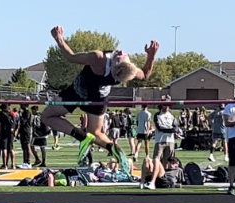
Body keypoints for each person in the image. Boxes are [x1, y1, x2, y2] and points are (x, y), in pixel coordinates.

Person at [41, 26, 159, 173]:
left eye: (120, 55)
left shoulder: (98, 58)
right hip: (99, 98)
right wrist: (151, 56)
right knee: (96, 133)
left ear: (115, 64)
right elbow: (145, 75)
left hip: (79, 90)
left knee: (47, 116)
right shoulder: (129, 71)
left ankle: (82, 137)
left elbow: (70, 57)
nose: (121, 51)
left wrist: (59, 39)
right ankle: (113, 149)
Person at [0, 104, 16, 169]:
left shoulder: (1, 115)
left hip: (3, 133)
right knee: (11, 149)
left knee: (4, 149)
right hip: (11, 133)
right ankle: (13, 164)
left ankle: (5, 165)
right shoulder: (12, 114)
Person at [18, 104, 33, 169]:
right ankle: (24, 162)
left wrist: (20, 115)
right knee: (23, 146)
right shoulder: (24, 112)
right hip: (23, 131)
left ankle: (28, 162)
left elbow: (23, 121)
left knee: (27, 146)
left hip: (26, 131)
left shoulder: (27, 113)